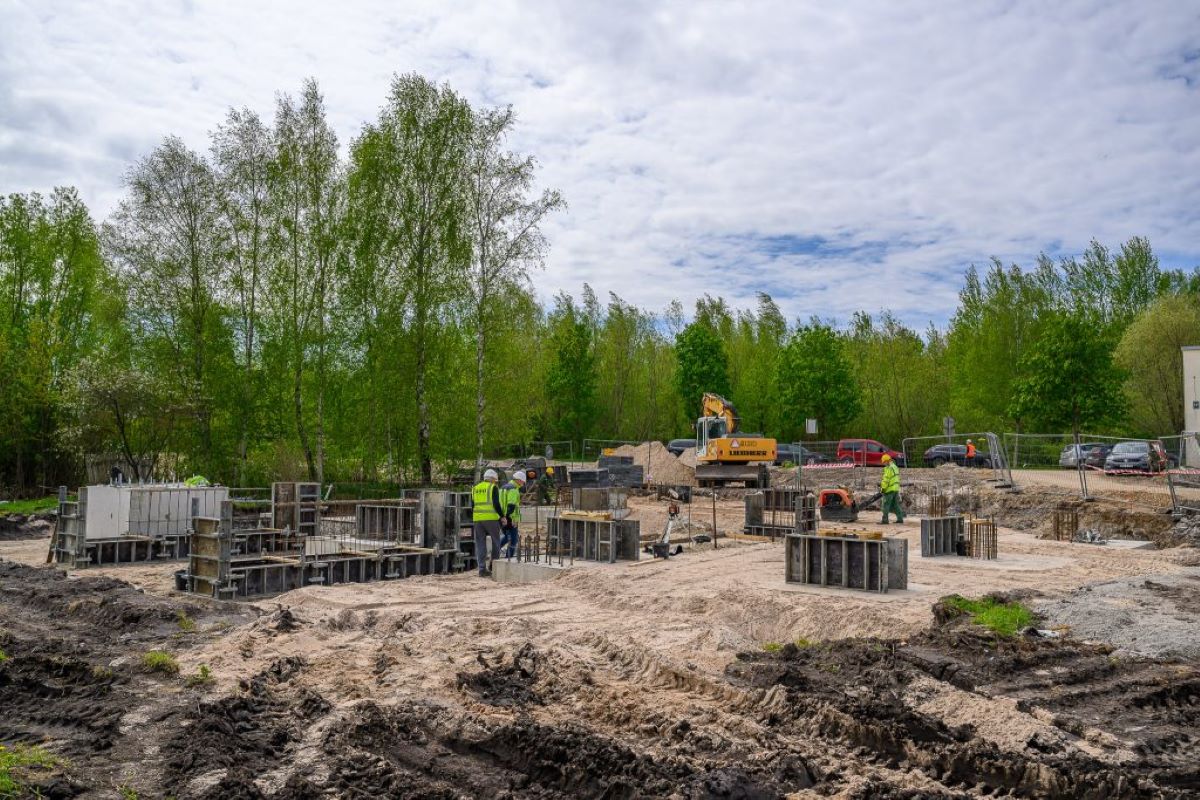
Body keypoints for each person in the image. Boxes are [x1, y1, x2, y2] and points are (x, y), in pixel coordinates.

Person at [471, 468, 506, 577]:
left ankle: (482, 569)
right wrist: (502, 516)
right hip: (491, 519)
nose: (495, 482)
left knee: (480, 544)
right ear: (492, 479)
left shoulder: (475, 488)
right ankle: (493, 566)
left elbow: (472, 505)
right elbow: (496, 504)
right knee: (496, 542)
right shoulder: (492, 488)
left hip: (477, 519)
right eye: (495, 480)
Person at [498, 471, 527, 559]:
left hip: (502, 516)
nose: (523, 483)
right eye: (522, 481)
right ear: (518, 480)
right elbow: (511, 505)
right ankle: (509, 558)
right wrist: (511, 518)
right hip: (510, 518)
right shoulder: (513, 489)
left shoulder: (503, 487)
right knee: (514, 539)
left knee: (507, 536)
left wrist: (503, 517)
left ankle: (495, 549)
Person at [879, 454, 904, 524]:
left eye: (884, 462)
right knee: (895, 505)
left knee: (885, 505)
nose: (884, 464)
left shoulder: (889, 468)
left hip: (889, 489)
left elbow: (886, 480)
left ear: (887, 461)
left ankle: (885, 520)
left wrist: (883, 488)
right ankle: (900, 519)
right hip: (895, 489)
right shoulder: (895, 467)